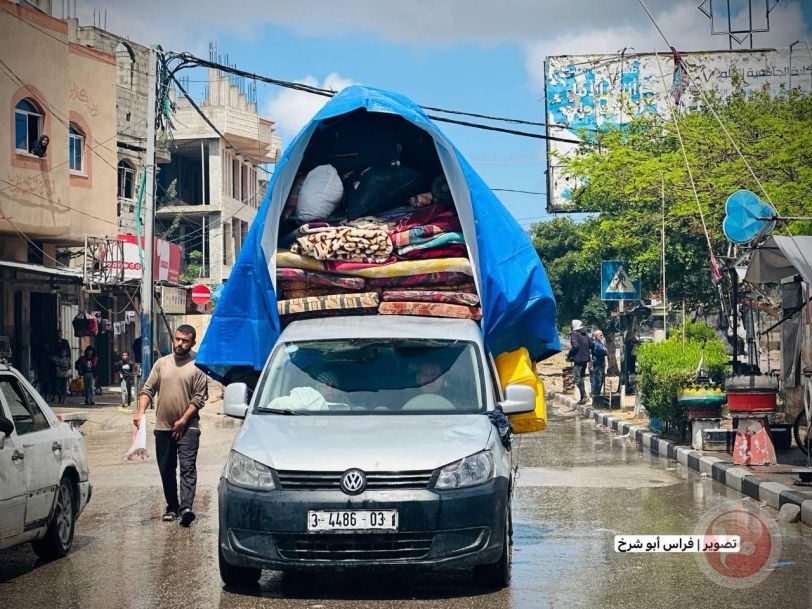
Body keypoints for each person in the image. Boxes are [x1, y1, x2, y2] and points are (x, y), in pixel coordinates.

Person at [134, 325, 208, 527]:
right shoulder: (161, 364)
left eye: (185, 340)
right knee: (166, 469)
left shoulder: (198, 366)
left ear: (192, 343)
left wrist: (183, 420)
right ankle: (171, 506)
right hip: (163, 427)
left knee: (187, 468)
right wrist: (140, 412)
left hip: (189, 427)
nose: (180, 343)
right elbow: (148, 390)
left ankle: (186, 509)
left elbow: (199, 399)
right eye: (177, 339)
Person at [566, 319, 593, 405]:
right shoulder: (585, 334)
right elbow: (592, 344)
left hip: (578, 359)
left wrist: (569, 355)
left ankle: (584, 395)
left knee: (576, 378)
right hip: (585, 359)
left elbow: (575, 346)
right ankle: (582, 398)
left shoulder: (575, 333)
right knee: (581, 378)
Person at [590, 329, 609, 398]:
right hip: (597, 364)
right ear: (596, 336)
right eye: (600, 335)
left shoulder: (600, 343)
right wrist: (605, 350)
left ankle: (596, 395)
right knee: (597, 381)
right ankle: (595, 395)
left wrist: (605, 350)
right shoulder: (596, 344)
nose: (602, 336)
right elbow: (603, 352)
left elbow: (606, 351)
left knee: (600, 381)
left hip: (601, 364)